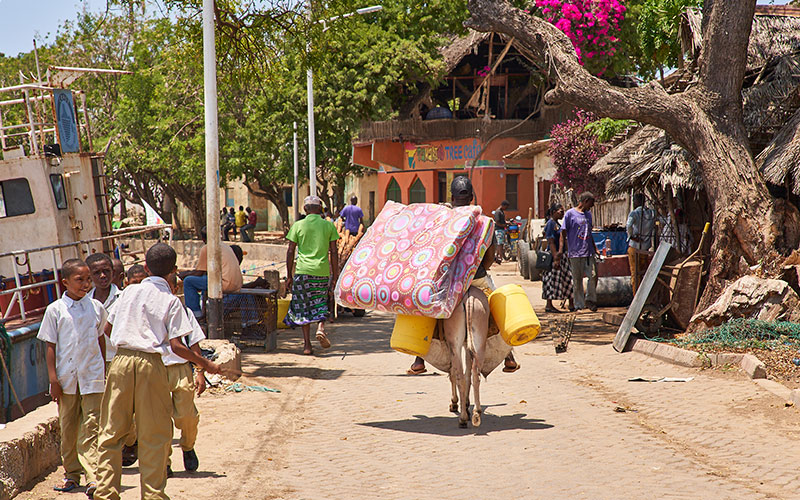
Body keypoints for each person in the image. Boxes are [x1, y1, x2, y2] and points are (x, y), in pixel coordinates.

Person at [94, 243, 221, 500]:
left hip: (120, 362)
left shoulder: (128, 293)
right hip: (152, 364)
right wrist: (204, 364)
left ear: (147, 267)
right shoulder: (170, 301)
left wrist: (125, 341)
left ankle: (105, 493)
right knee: (154, 435)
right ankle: (152, 495)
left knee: (111, 432)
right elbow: (177, 346)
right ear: (174, 270)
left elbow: (107, 328)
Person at [407, 177, 520, 375]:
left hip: (447, 281)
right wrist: (478, 270)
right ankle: (509, 357)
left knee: (429, 309)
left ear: (452, 197)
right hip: (476, 277)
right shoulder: (485, 222)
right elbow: (490, 256)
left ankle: (419, 360)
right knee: (497, 305)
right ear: (471, 198)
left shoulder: (444, 220)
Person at [37, 259, 107, 498]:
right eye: (80, 280)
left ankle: (94, 477)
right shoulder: (55, 310)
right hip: (67, 379)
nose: (86, 284)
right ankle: (72, 474)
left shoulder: (96, 307)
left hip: (92, 376)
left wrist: (103, 370)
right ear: (65, 282)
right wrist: (53, 380)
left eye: (88, 279)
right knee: (69, 427)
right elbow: (50, 346)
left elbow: (100, 340)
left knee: (92, 426)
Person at [163, 273, 207, 476]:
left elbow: (194, 341)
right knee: (158, 419)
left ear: (174, 289)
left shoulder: (183, 311)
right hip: (155, 368)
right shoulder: (145, 309)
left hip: (180, 368)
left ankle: (188, 446)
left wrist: (199, 371)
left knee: (187, 416)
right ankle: (164, 461)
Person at [284, 195, 339, 355]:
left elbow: (290, 251)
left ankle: (307, 345)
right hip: (321, 271)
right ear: (320, 209)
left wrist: (289, 276)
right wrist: (335, 276)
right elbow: (334, 252)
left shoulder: (298, 225)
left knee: (303, 307)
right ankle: (321, 327)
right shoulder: (328, 225)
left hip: (302, 272)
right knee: (321, 301)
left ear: (305, 209)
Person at [180, 227, 243, 319]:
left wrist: (183, 275)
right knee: (203, 279)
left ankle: (195, 314)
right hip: (237, 284)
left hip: (225, 284)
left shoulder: (207, 247)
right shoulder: (225, 246)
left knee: (188, 281)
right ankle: (202, 309)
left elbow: (199, 273)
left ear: (203, 239)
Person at [563, 192, 599, 312]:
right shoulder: (570, 214)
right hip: (575, 253)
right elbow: (563, 233)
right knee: (577, 280)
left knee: (593, 276)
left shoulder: (588, 215)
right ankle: (579, 304)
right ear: (585, 201)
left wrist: (595, 247)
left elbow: (589, 232)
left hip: (588, 252)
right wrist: (565, 249)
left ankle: (590, 300)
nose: (592, 206)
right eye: (591, 203)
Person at [86, 253, 123, 370]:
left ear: (113, 272)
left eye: (106, 271)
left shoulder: (123, 298)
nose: (102, 276)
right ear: (89, 276)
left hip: (118, 360)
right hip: (93, 363)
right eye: (97, 273)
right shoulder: (85, 302)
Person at [542, 204, 574, 313]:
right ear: (554, 212)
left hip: (561, 256)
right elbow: (551, 242)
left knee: (567, 279)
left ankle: (571, 304)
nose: (562, 213)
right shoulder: (551, 224)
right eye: (561, 211)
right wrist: (556, 257)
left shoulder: (557, 224)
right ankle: (549, 305)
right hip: (554, 256)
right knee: (551, 280)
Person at [626, 193, 656, 295]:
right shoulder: (652, 213)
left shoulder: (634, 213)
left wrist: (632, 236)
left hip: (635, 247)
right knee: (643, 273)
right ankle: (644, 296)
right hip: (645, 248)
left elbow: (629, 225)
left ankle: (636, 298)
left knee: (635, 274)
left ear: (636, 202)